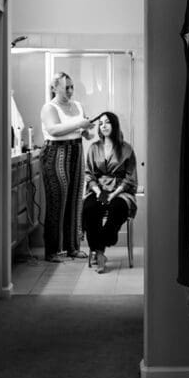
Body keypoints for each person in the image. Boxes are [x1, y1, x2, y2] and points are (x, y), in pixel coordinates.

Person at [40, 72, 93, 262]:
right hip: (55, 154)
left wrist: (86, 132)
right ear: (54, 88)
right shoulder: (49, 107)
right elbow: (53, 129)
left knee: (75, 200)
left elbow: (81, 131)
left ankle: (72, 247)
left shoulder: (78, 106)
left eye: (72, 87)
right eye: (66, 87)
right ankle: (52, 251)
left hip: (76, 151)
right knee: (57, 202)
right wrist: (79, 123)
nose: (70, 91)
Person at [82, 111, 138, 273]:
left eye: (107, 122)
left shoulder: (126, 149)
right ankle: (99, 252)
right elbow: (89, 174)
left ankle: (99, 250)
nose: (104, 126)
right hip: (98, 189)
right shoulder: (94, 148)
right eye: (101, 123)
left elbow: (130, 177)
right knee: (89, 208)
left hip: (121, 191)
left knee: (117, 208)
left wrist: (113, 194)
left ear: (114, 124)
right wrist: (99, 191)